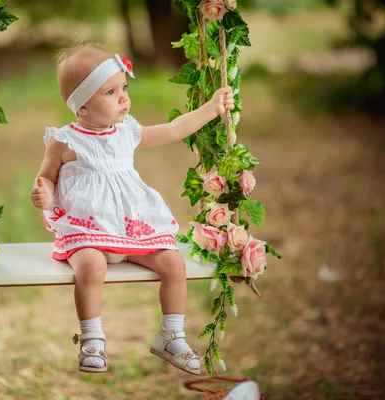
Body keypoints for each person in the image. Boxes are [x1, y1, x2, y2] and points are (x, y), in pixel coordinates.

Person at [30, 43, 234, 374]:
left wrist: (211, 109)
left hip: (132, 227)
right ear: (81, 106)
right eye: (110, 92)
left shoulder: (126, 131)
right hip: (88, 230)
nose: (124, 97)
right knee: (92, 267)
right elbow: (46, 177)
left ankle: (171, 335)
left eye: (124, 88)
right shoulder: (65, 140)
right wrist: (43, 192)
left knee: (173, 263)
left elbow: (172, 130)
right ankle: (92, 337)